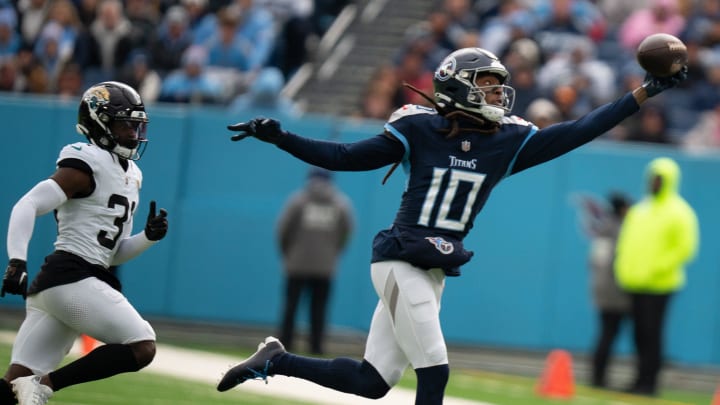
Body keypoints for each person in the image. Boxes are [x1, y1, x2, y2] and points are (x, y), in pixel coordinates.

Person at [216, 47, 688, 404]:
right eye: (485, 84)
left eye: (497, 85)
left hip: (432, 269)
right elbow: (342, 157)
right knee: (435, 369)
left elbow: (580, 129)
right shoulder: (417, 129)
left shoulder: (508, 141)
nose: (496, 94)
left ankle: (275, 359)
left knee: (373, 382)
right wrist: (280, 136)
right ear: (459, 86)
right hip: (400, 259)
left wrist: (642, 93)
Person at [0, 81, 169, 405]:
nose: (133, 134)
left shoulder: (132, 173)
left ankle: (35, 385)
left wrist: (148, 237)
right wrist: (16, 260)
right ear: (99, 123)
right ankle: (46, 385)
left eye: (136, 126)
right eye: (124, 125)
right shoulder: (87, 160)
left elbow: (112, 254)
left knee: (13, 387)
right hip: (72, 277)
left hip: (62, 285)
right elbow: (27, 204)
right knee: (143, 344)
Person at [614, 157, 699, 396]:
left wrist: (655, 269)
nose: (655, 182)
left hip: (660, 284)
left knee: (652, 334)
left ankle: (650, 382)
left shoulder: (679, 212)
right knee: (639, 334)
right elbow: (626, 243)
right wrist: (624, 269)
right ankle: (639, 378)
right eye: (653, 178)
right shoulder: (641, 209)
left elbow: (685, 248)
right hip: (635, 283)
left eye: (659, 179)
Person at [277, 167, 354, 355]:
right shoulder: (341, 204)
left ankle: (284, 344)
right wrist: (333, 252)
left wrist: (288, 253)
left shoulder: (298, 201)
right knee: (319, 308)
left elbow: (283, 231)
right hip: (325, 266)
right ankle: (316, 346)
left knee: (291, 306)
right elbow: (347, 233)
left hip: (296, 264)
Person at [577, 192, 632, 388]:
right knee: (609, 334)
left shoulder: (604, 228)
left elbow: (594, 262)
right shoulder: (617, 230)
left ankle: (597, 376)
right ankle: (598, 377)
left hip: (601, 288)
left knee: (605, 333)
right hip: (614, 290)